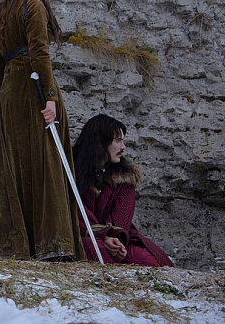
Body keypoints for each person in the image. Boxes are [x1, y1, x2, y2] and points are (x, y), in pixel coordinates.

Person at [0, 0, 85, 261]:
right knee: (46, 160)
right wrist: (49, 97)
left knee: (13, 165)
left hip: (10, 92)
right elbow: (40, 52)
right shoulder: (34, 6)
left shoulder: (1, 12)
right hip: (34, 88)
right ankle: (52, 243)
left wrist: (8, 93)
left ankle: (11, 243)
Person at [73, 114, 174, 266]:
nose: (123, 147)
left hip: (121, 238)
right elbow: (76, 213)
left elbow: (121, 220)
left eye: (123, 141)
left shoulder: (125, 178)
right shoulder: (72, 174)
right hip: (87, 236)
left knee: (145, 259)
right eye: (118, 140)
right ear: (99, 143)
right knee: (92, 246)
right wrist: (103, 236)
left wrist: (114, 241)